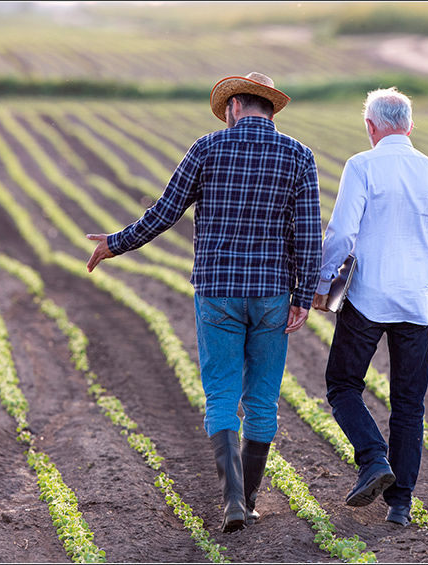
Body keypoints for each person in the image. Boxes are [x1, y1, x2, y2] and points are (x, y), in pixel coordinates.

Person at [86, 72, 323, 533]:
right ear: (271, 109)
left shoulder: (207, 148)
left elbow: (165, 211)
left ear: (235, 106)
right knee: (262, 400)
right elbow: (307, 236)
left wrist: (116, 243)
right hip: (272, 292)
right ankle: (250, 500)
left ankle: (232, 500)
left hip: (217, 291)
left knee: (220, 394)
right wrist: (302, 296)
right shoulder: (299, 155)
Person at [312, 87, 428, 527]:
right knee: (408, 405)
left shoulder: (362, 165)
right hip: (417, 304)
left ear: (371, 126)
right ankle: (400, 505)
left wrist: (323, 284)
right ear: (410, 126)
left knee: (343, 384)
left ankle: (372, 458)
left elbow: (342, 234)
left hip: (367, 298)